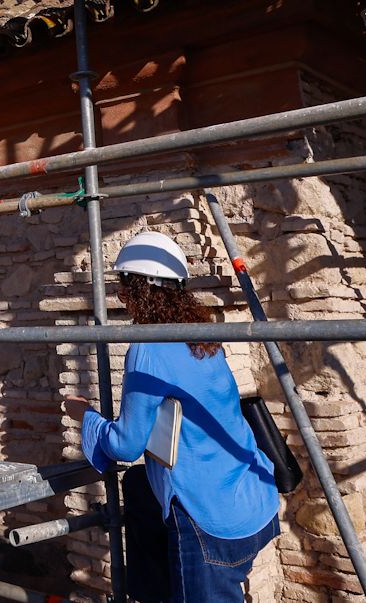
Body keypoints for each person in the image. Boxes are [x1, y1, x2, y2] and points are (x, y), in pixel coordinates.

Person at [64, 231, 279, 602]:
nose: (118, 296)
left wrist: (85, 416)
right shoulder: (203, 336)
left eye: (122, 287)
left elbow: (126, 445)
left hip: (211, 524)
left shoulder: (149, 349)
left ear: (138, 292)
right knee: (138, 486)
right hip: (255, 501)